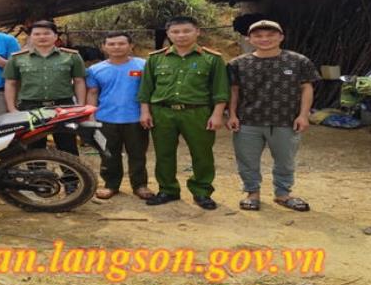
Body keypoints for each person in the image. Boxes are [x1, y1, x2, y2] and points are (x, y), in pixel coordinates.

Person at [137, 16, 229, 210]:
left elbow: (220, 90)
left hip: (197, 113)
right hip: (163, 113)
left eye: (186, 31)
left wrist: (217, 114)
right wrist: (145, 112)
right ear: (168, 34)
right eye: (175, 32)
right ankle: (168, 190)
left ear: (197, 32)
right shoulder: (155, 58)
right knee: (164, 153)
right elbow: (146, 89)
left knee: (202, 153)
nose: (181, 35)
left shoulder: (212, 59)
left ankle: (202, 191)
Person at [227, 20, 318, 212]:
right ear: (249, 39)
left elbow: (306, 88)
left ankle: (283, 194)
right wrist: (232, 115)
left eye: (270, 35)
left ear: (281, 37)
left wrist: (303, 115)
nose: (264, 39)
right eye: (258, 36)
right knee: (247, 160)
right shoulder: (238, 64)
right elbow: (234, 91)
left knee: (285, 160)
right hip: (248, 120)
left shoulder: (298, 61)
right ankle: (252, 193)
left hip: (285, 120)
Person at [3, 20, 86, 155]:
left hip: (63, 106)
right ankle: (37, 169)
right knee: (33, 147)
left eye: (47, 33)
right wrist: (12, 108)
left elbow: (79, 81)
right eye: (37, 34)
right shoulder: (17, 58)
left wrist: (80, 105)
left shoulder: (71, 56)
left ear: (55, 36)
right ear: (30, 37)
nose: (42, 37)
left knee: (67, 145)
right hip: (31, 107)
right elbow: (10, 83)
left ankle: (70, 170)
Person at [87, 32, 152, 200]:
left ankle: (140, 185)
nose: (116, 47)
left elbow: (148, 91)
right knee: (108, 154)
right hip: (105, 119)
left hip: (136, 119)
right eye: (111, 44)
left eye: (121, 43)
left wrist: (146, 113)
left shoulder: (143, 65)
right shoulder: (95, 70)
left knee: (137, 154)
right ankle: (111, 185)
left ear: (131, 46)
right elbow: (92, 93)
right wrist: (91, 117)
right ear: (104, 47)